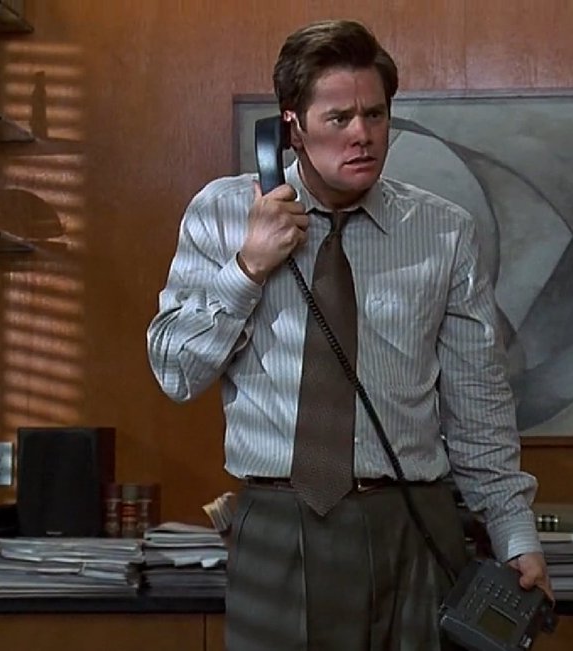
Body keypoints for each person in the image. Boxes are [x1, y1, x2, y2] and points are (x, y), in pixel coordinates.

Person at [146, 18, 549, 651]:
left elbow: (479, 404)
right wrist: (248, 267)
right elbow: (174, 372)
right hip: (280, 527)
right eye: (338, 118)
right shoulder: (222, 214)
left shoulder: (442, 232)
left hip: (410, 523)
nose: (362, 134)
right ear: (291, 127)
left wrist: (515, 534)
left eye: (375, 115)